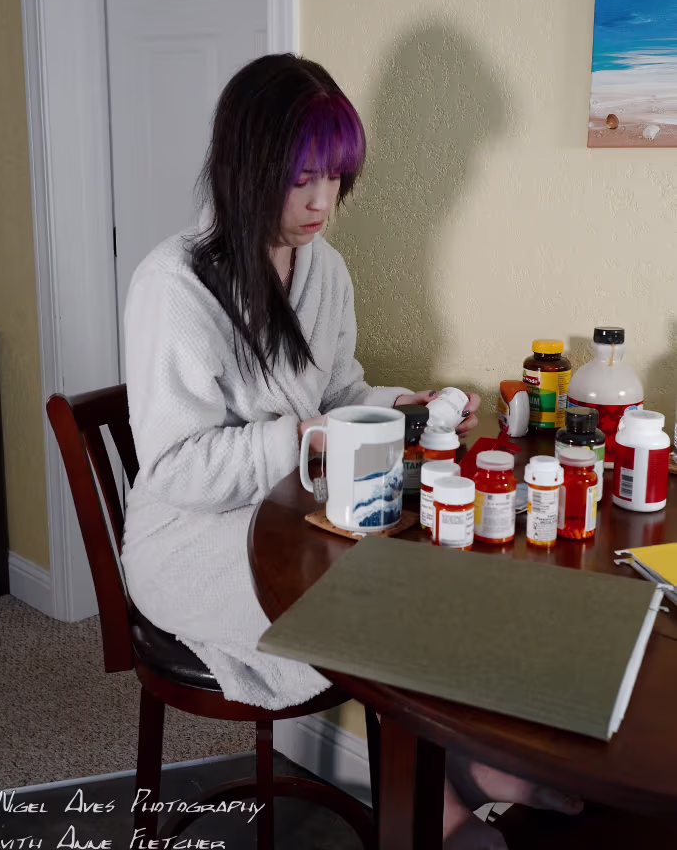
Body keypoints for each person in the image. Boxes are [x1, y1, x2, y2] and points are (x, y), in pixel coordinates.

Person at [121, 53, 581, 847]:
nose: (321, 203)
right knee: (379, 604)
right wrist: (302, 438)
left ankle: (467, 774)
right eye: (301, 179)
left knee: (434, 571)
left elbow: (338, 393)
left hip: (292, 511)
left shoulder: (323, 270)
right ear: (244, 166)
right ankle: (449, 801)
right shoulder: (174, 285)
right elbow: (173, 467)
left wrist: (400, 407)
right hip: (192, 539)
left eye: (335, 178)